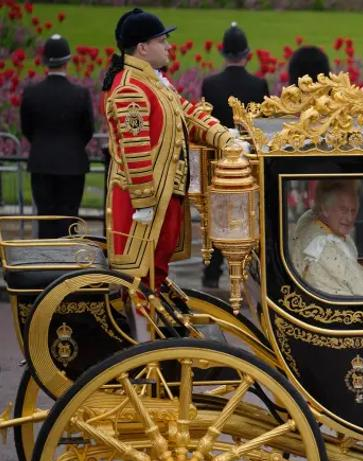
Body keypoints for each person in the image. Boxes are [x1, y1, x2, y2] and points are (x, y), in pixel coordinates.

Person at [103, 8, 237, 288]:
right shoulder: (131, 88)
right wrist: (144, 202)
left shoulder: (153, 81)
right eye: (162, 41)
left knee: (157, 272)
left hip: (165, 196)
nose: (169, 46)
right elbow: (135, 150)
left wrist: (224, 137)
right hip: (146, 202)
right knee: (143, 277)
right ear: (142, 48)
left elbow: (188, 113)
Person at [200, 22, 269, 289]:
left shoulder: (210, 83)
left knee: (219, 217)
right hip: (248, 164)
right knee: (249, 215)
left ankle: (211, 275)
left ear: (223, 53)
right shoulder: (258, 84)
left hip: (219, 163)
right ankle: (252, 272)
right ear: (247, 54)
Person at [20, 34, 94, 239]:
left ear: (45, 62)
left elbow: (26, 128)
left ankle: (46, 265)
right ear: (67, 61)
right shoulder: (80, 94)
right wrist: (72, 146)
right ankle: (67, 264)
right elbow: (87, 129)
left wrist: (43, 145)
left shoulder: (31, 93)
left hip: (42, 162)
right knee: (69, 218)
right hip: (73, 164)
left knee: (45, 217)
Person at [290, 181, 363, 296]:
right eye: (343, 210)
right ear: (324, 208)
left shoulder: (313, 219)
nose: (349, 218)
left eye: (353, 211)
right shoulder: (325, 246)